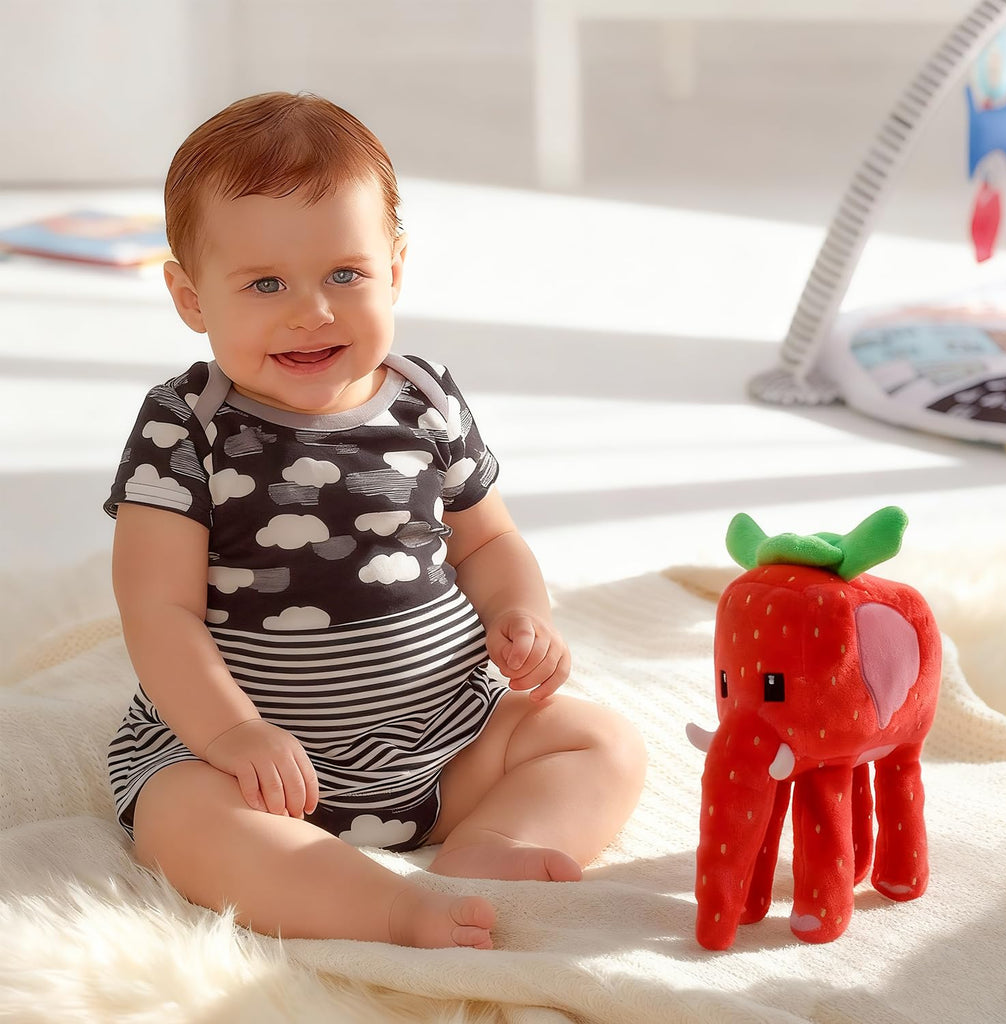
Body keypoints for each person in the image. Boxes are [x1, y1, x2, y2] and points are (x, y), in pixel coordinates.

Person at [104, 91, 646, 950]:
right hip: (251, 766)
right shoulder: (189, 424)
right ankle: (374, 905)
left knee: (601, 741)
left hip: (445, 743)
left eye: (344, 275)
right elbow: (155, 607)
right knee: (179, 816)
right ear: (190, 296)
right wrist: (231, 732)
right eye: (265, 283)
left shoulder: (424, 399)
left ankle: (488, 845)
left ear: (394, 268)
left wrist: (521, 615)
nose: (310, 310)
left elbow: (489, 539)